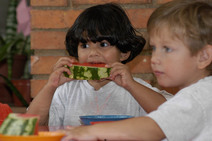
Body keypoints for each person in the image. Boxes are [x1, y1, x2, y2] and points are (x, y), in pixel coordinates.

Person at [62, 0, 212, 140]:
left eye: (167, 48)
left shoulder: (201, 96)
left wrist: (91, 131)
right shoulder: (195, 94)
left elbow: (153, 127)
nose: (154, 58)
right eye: (154, 48)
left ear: (203, 56)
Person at [27, 3, 172, 126]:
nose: (92, 53)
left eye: (103, 44)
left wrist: (131, 85)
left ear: (124, 53)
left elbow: (171, 115)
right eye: (84, 45)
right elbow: (32, 124)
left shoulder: (135, 89)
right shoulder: (66, 91)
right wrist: (50, 86)